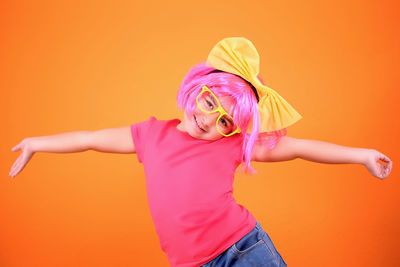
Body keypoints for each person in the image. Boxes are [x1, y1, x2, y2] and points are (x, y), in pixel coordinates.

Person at [9, 37, 392, 267]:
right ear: (196, 89)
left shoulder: (231, 146)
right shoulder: (150, 135)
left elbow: (296, 148)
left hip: (244, 250)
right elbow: (89, 138)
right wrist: (35, 144)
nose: (211, 121)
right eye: (210, 103)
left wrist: (361, 154)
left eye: (226, 120)